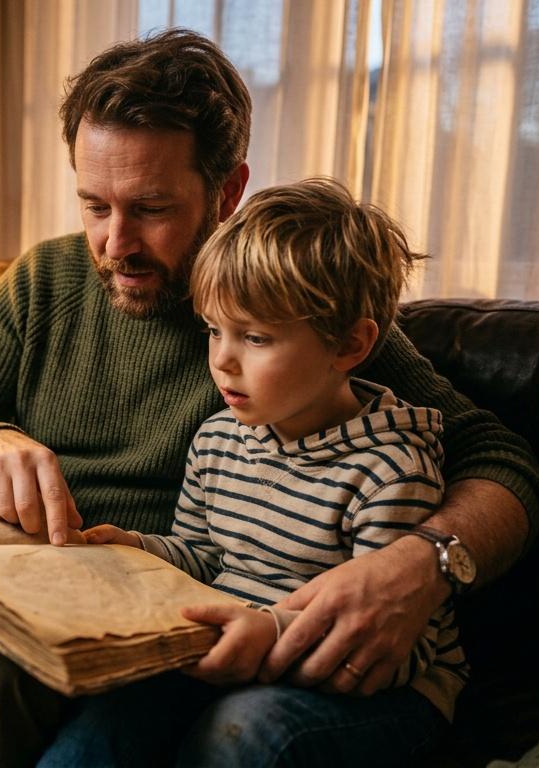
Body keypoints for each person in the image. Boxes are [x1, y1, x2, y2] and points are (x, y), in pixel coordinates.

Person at [0, 29, 539, 767]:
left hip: (108, 595)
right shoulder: (44, 281)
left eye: (152, 209)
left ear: (227, 189)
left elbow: (502, 461)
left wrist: (425, 562)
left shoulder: (284, 306)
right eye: (94, 204)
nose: (114, 244)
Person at [40, 177, 463, 766]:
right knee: (112, 714)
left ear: (350, 345)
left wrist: (269, 632)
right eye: (214, 330)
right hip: (238, 658)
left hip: (379, 694)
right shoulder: (219, 438)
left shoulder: (390, 469)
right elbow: (204, 555)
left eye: (256, 338)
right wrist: (135, 549)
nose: (221, 359)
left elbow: (385, 651)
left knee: (246, 730)